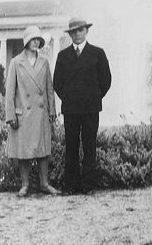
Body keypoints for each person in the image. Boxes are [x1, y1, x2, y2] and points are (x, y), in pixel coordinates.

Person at [53, 17, 111, 195]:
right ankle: (71, 185)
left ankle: (88, 185)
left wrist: (93, 97)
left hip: (91, 109)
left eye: (80, 30)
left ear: (87, 31)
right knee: (71, 146)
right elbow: (57, 82)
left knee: (89, 146)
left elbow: (106, 80)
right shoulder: (63, 55)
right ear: (70, 34)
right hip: (70, 109)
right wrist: (69, 98)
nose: (77, 34)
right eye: (73, 31)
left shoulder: (97, 53)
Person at [5, 25, 60, 197]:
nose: (36, 42)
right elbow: (10, 92)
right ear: (26, 41)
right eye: (33, 39)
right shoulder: (15, 62)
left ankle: (44, 183)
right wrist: (11, 114)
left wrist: (52, 110)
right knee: (24, 150)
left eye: (39, 40)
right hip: (24, 115)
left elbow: (49, 89)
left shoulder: (44, 62)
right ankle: (25, 184)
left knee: (43, 150)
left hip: (41, 112)